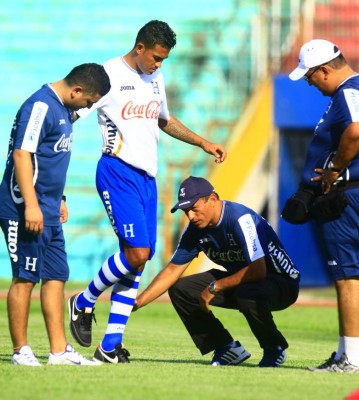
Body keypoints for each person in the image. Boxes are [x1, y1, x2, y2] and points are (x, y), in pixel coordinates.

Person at [68, 20, 227, 364]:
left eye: (164, 60)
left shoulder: (155, 77)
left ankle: (110, 346)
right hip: (117, 172)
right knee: (138, 253)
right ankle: (83, 301)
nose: (159, 64)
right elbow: (74, 111)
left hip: (147, 179)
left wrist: (202, 141)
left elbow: (164, 120)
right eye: (156, 57)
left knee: (137, 263)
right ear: (139, 47)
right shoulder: (107, 75)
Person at [0, 63, 111, 366]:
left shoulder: (63, 109)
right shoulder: (40, 105)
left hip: (49, 208)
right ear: (77, 91)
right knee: (24, 277)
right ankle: (21, 351)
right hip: (22, 207)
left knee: (56, 276)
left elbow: (48, 158)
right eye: (88, 101)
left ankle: (59, 352)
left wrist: (58, 198)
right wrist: (32, 205)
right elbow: (22, 155)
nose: (87, 106)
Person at [134, 176, 300, 367]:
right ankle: (226, 347)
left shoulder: (240, 219)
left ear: (212, 199)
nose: (190, 217)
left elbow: (258, 270)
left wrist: (216, 286)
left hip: (281, 282)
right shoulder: (195, 230)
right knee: (181, 289)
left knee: (246, 293)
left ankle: (274, 348)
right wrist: (139, 301)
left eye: (194, 209)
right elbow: (172, 271)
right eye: (186, 211)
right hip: (244, 282)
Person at [286, 39, 359, 373]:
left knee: (347, 277)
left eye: (309, 77)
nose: (309, 83)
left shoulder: (348, 91)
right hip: (348, 193)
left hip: (347, 196)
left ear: (325, 70)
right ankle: (347, 353)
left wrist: (335, 169)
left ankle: (351, 358)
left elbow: (356, 132)